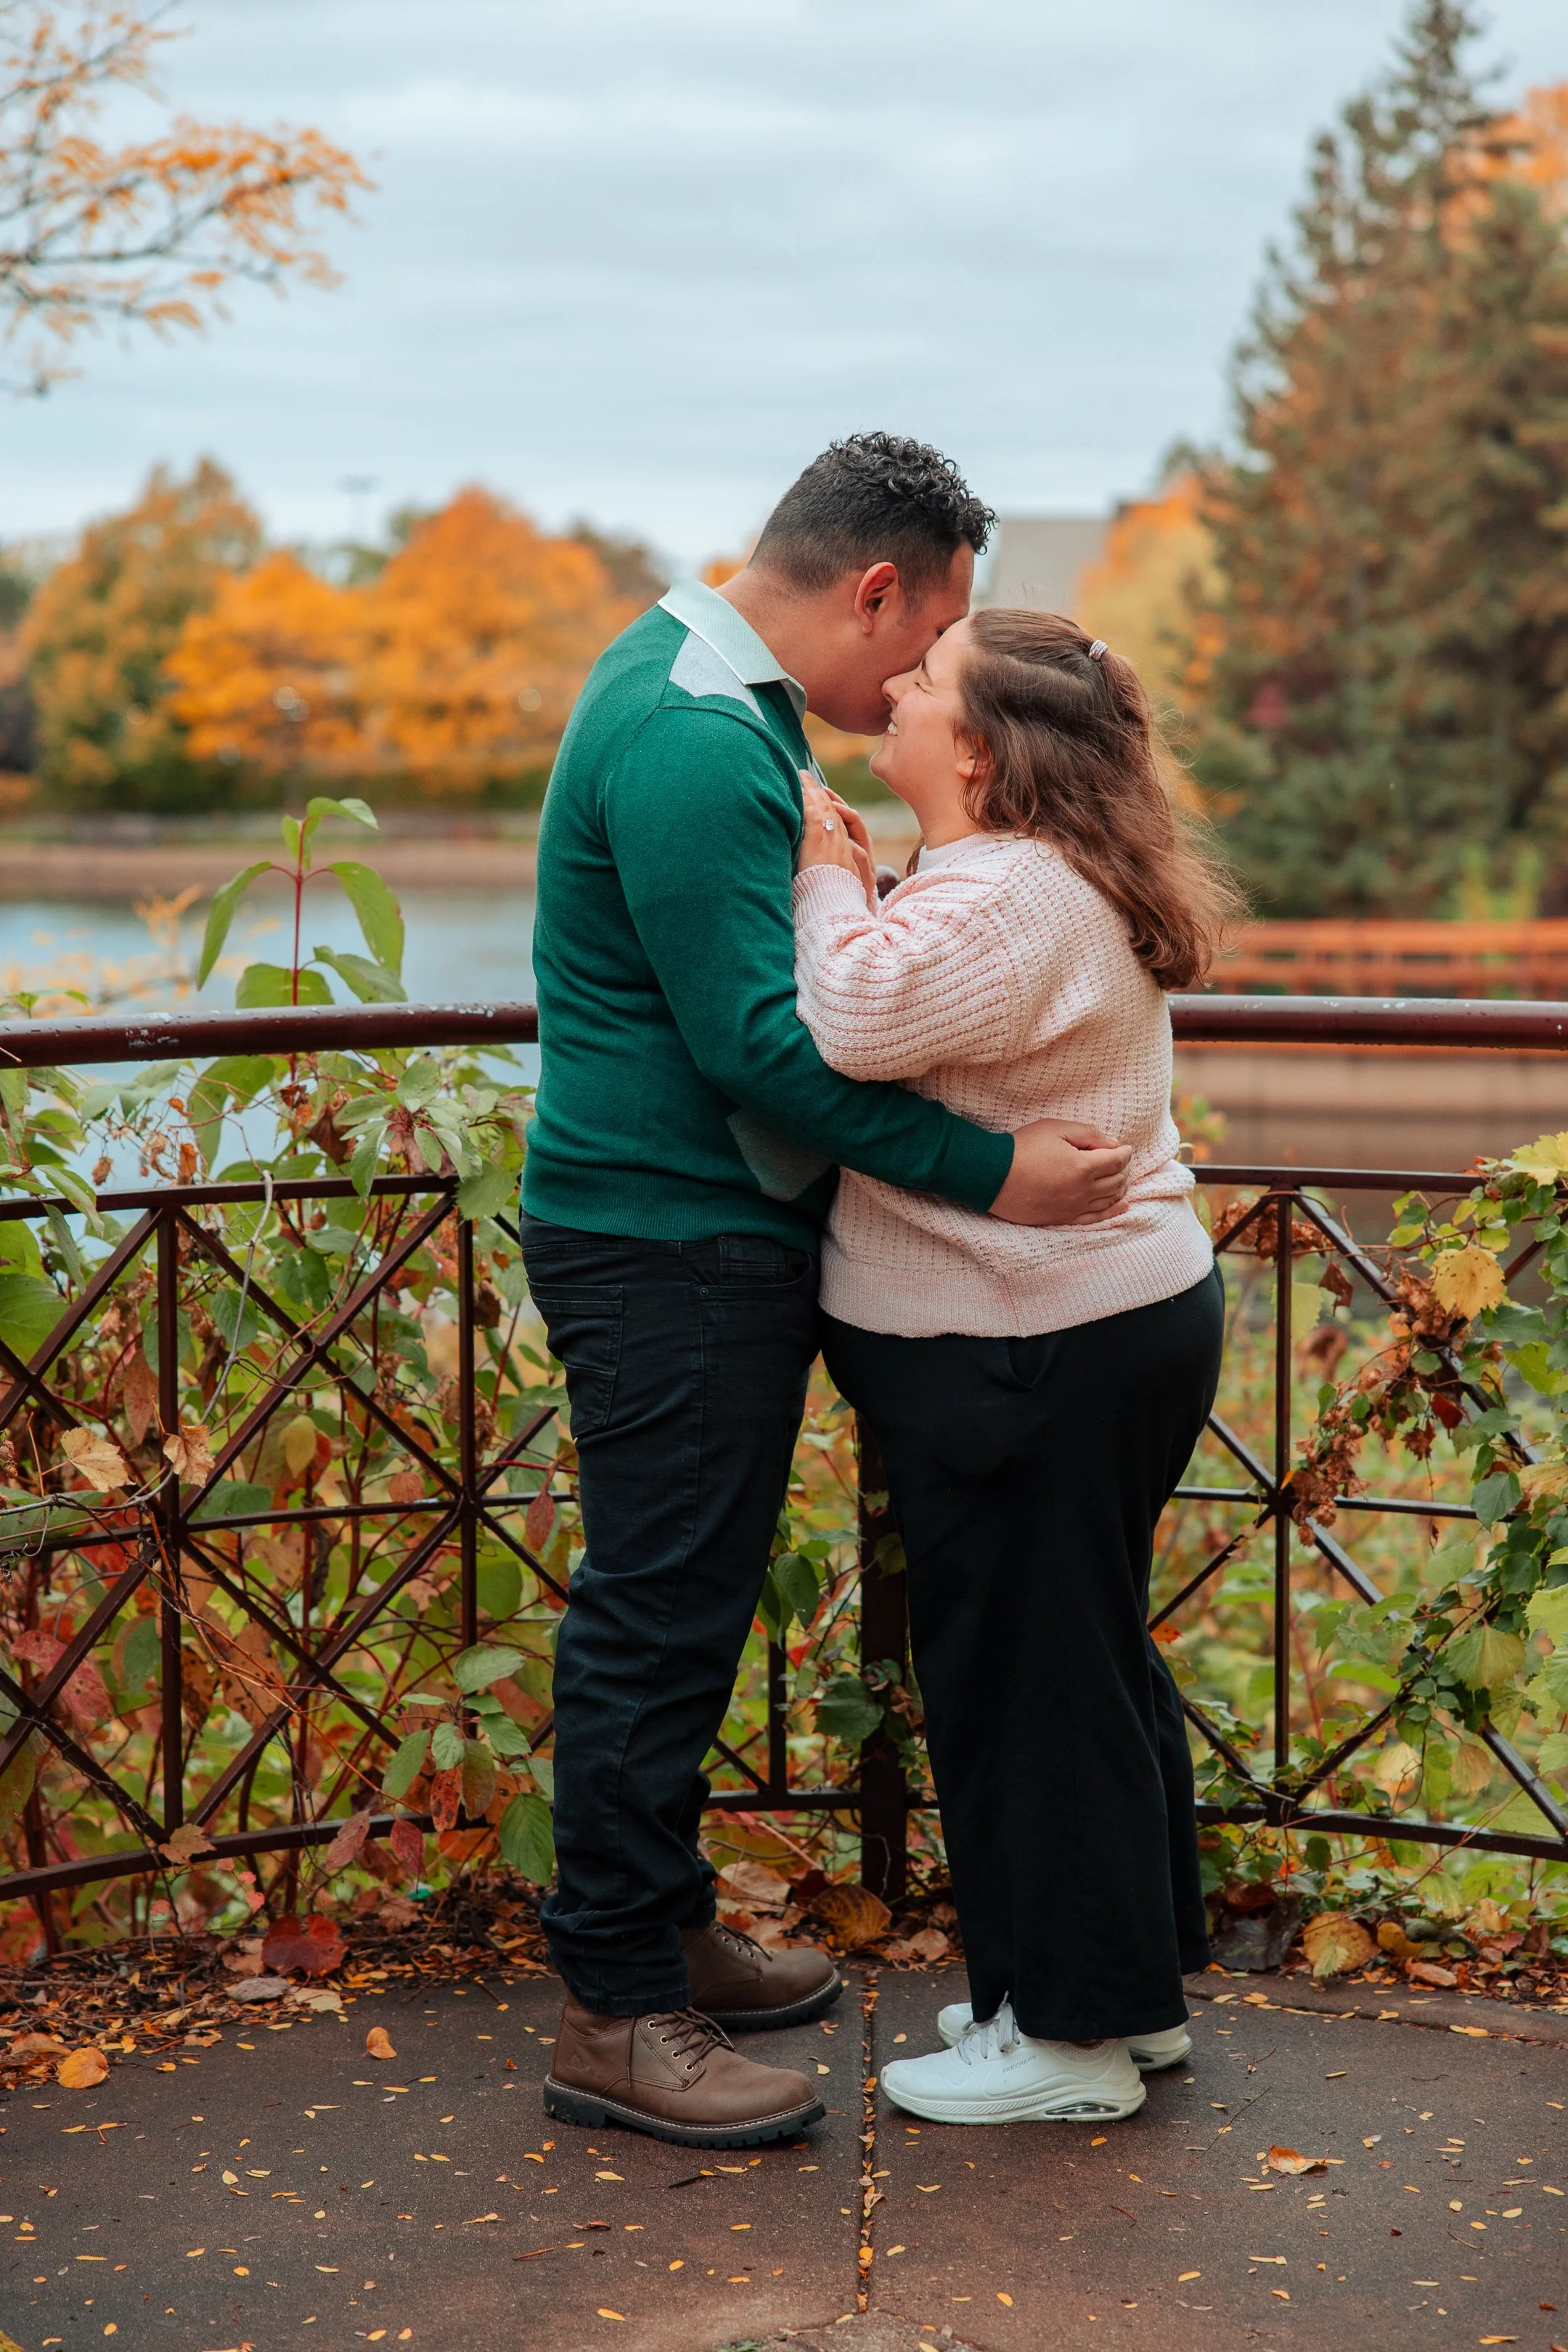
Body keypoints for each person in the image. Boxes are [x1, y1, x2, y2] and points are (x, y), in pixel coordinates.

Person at [522, 435, 1135, 2147]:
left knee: (690, 1603)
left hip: (695, 1233)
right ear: (876, 587)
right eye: (924, 646)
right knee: (654, 1617)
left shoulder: (707, 698)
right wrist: (990, 1173)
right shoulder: (693, 738)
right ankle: (616, 2009)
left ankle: (661, 1936)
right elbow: (762, 1045)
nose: (905, 698)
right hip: (667, 1245)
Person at [792, 607, 1236, 2126]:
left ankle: (1066, 2042)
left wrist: (824, 869)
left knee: (1024, 1680)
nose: (898, 688)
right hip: (1095, 1324)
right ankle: (1120, 1991)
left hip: (1030, 1338)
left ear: (976, 750)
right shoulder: (1040, 878)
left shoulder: (1005, 898)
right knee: (1087, 1659)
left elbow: (851, 1014)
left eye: (925, 683)